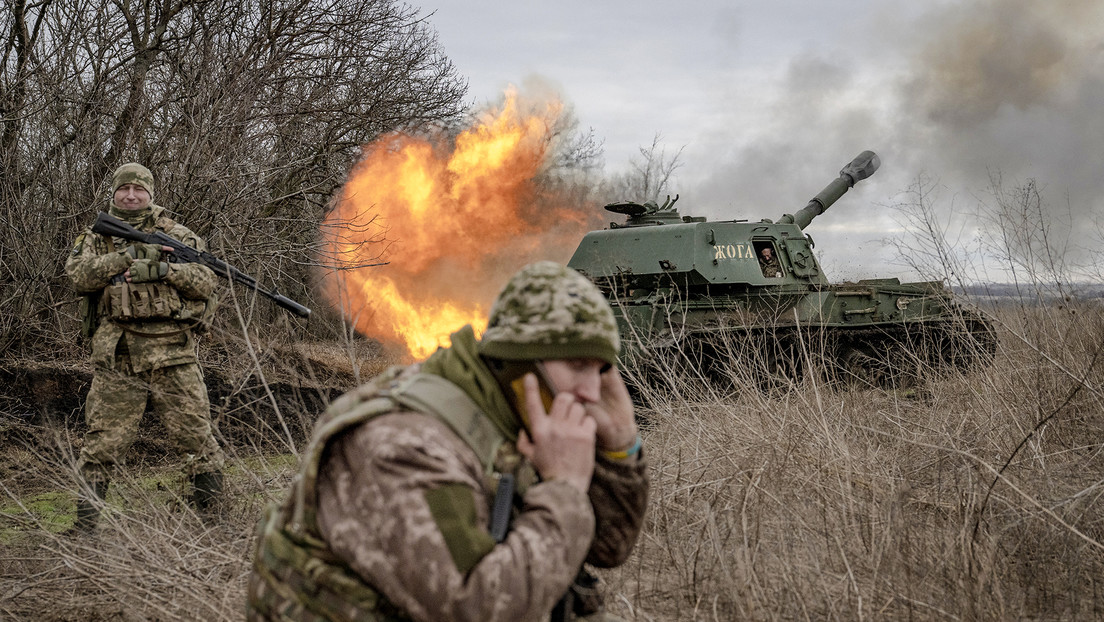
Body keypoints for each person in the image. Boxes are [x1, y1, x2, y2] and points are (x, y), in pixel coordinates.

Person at [247, 261, 649, 622]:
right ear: (519, 360)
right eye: (577, 366)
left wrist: (619, 446)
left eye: (601, 370)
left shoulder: (517, 410)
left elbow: (607, 548)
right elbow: (475, 610)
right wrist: (563, 488)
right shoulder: (404, 444)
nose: (592, 392)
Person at [66, 163, 225, 530]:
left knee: (197, 436)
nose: (132, 196)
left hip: (175, 353)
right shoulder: (94, 237)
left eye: (140, 190)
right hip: (118, 354)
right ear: (115, 193)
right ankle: (84, 529)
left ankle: (216, 523)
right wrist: (127, 259)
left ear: (151, 194)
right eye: (125, 189)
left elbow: (206, 281)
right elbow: (78, 276)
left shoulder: (177, 234)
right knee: (102, 444)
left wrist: (165, 270)